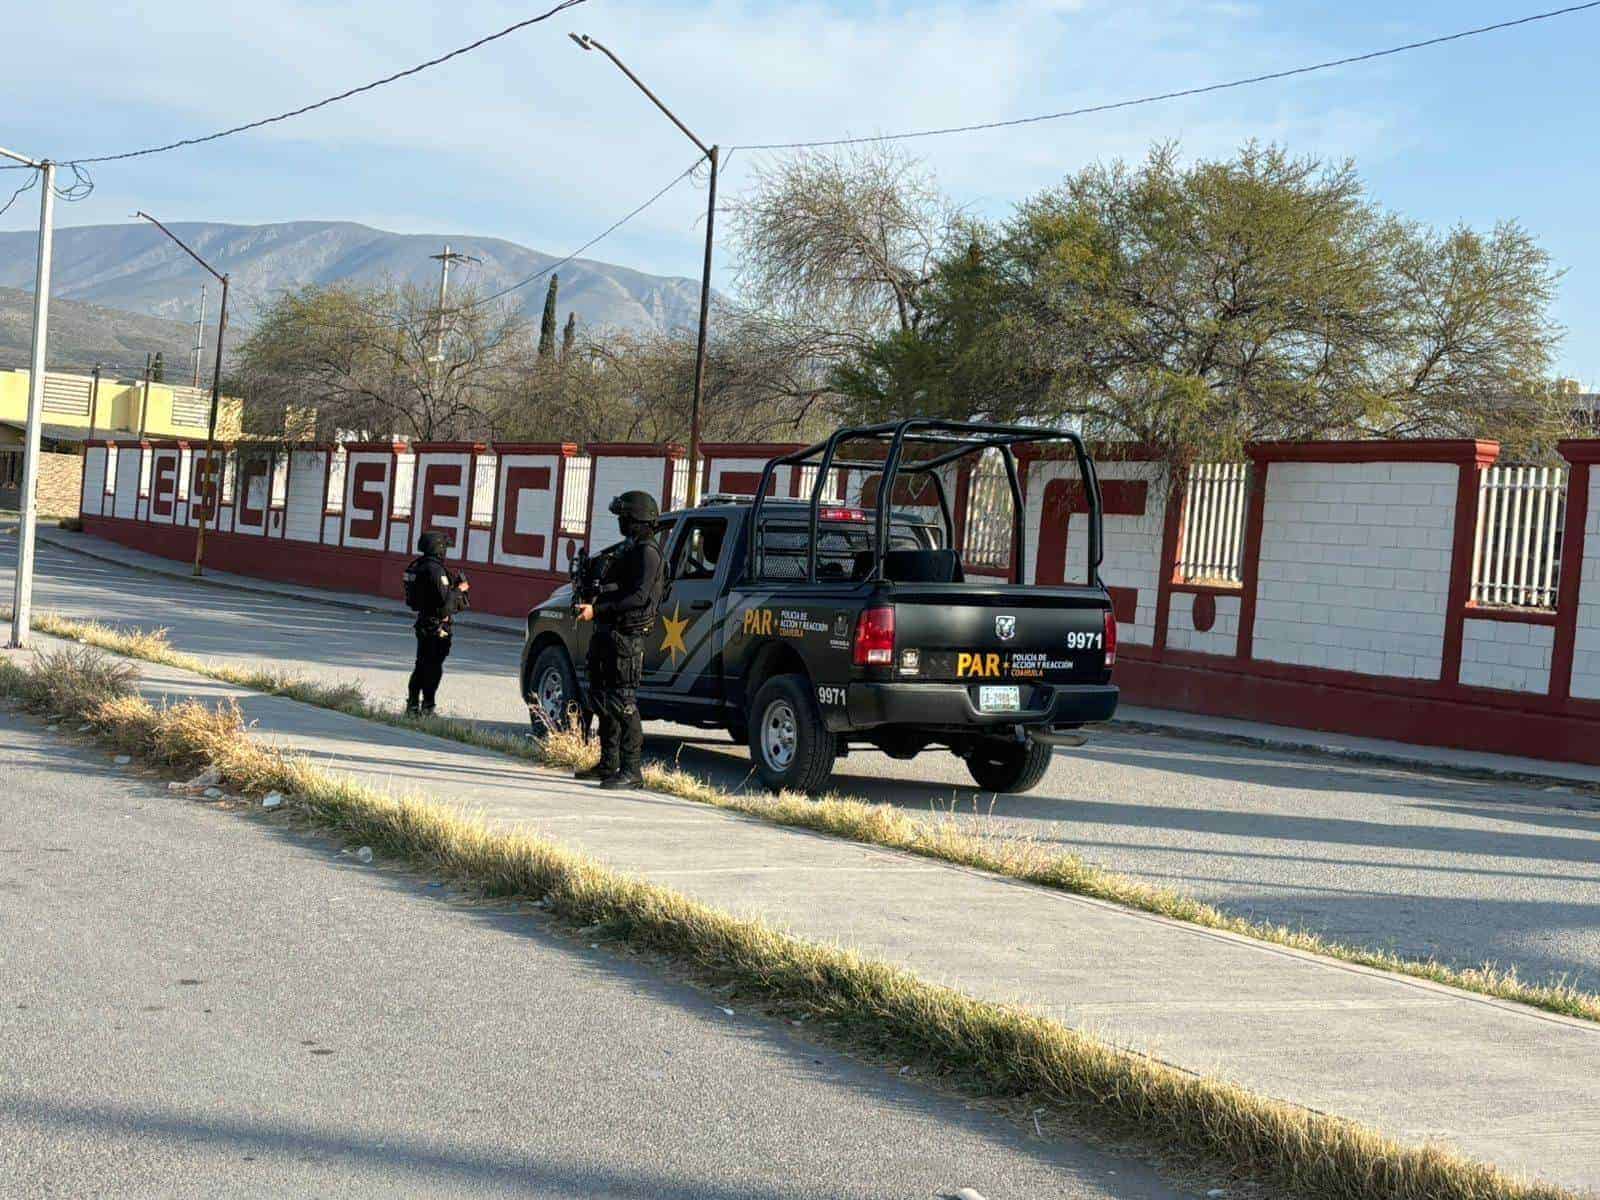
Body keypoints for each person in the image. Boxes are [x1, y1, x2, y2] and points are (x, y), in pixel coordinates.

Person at [574, 491, 664, 788]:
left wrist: (598, 608)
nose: (621, 522)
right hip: (607, 633)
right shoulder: (629, 549)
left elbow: (638, 597)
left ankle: (631, 770)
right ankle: (608, 763)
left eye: (624, 517)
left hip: (626, 637)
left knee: (623, 702)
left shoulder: (648, 553)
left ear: (636, 518)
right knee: (602, 699)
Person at [403, 530, 470, 717]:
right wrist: (459, 590)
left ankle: (413, 705)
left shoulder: (418, 565)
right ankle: (427, 707)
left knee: (421, 665)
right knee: (432, 667)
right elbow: (444, 605)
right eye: (444, 547)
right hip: (436, 625)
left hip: (424, 621)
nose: (445, 551)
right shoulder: (435, 570)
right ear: (438, 548)